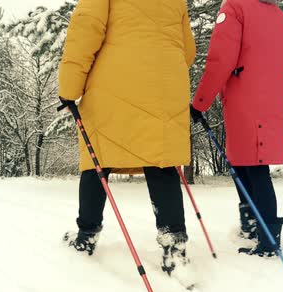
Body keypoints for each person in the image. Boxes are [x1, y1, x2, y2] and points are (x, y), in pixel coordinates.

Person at [57, 0, 196, 276]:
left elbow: (86, 29)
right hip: (166, 86)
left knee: (98, 159)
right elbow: (187, 51)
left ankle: (86, 235)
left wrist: (69, 88)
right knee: (162, 161)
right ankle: (174, 248)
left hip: (114, 84)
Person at [190, 0, 283, 256]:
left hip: (243, 102)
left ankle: (268, 238)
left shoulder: (235, 8)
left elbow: (221, 60)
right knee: (243, 162)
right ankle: (252, 227)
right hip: (269, 104)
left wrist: (200, 103)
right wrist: (274, 99)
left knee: (254, 166)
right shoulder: (281, 17)